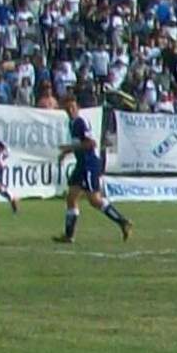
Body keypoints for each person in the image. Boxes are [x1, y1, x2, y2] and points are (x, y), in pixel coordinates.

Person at [53, 91, 131, 243]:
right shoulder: (72, 123)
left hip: (89, 164)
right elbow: (80, 144)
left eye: (73, 108)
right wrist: (67, 152)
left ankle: (122, 221)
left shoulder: (80, 122)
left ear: (78, 107)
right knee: (71, 197)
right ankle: (69, 235)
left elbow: (91, 143)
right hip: (82, 164)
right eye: (67, 109)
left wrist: (68, 148)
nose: (70, 111)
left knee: (95, 200)